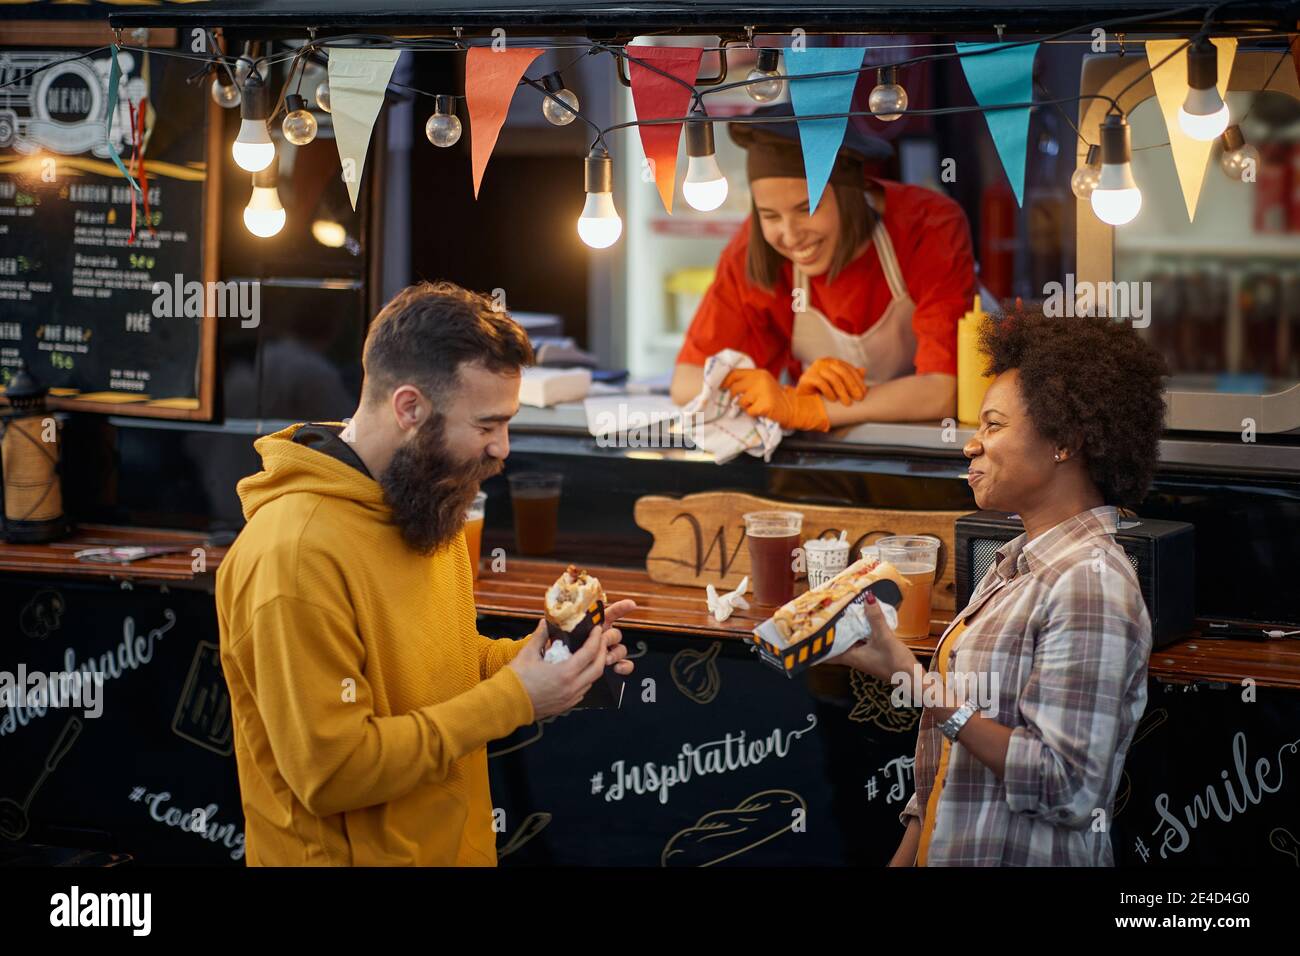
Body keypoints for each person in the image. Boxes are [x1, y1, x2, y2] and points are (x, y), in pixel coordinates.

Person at [215, 281, 636, 865]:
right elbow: (332, 772)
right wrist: (514, 699)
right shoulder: (294, 555)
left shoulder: (424, 499)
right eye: (487, 426)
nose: (503, 449)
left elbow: (436, 671)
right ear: (409, 408)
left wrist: (545, 662)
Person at [836, 311, 1167, 865]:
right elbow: (952, 769)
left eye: (993, 425)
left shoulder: (1090, 584)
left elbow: (1066, 788)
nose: (971, 445)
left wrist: (917, 685)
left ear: (1064, 441)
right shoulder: (1007, 565)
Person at [669, 102, 978, 430]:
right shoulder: (752, 247)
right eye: (769, 215)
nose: (789, 236)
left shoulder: (929, 226)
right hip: (823, 454)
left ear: (850, 196)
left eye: (807, 209)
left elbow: (942, 391)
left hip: (927, 451)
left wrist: (807, 407)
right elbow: (686, 382)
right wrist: (773, 392)